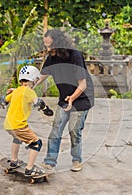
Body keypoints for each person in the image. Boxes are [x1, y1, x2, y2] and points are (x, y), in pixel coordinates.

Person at [36, 29, 94, 172]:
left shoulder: (75, 56)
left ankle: (76, 160)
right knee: (56, 129)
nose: (47, 49)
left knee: (74, 131)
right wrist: (26, 85)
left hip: (81, 98)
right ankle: (50, 162)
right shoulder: (51, 57)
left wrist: (72, 98)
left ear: (59, 44)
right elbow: (41, 76)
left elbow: (83, 84)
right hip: (65, 98)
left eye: (50, 46)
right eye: (46, 46)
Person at [3, 65, 51, 177]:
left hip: (8, 124)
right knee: (36, 143)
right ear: (33, 80)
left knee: (17, 138)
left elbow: (4, 100)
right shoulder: (29, 92)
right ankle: (29, 169)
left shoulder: (16, 91)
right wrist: (46, 110)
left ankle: (14, 161)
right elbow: (38, 103)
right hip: (19, 126)